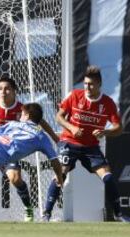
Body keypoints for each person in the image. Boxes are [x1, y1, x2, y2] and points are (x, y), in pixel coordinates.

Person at [42, 65, 130, 222]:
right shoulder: (75, 95)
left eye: (91, 84)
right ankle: (46, 214)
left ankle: (118, 214)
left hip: (91, 147)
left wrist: (106, 132)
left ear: (99, 84)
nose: (87, 87)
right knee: (61, 173)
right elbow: (59, 117)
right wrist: (72, 127)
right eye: (85, 84)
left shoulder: (108, 103)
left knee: (108, 177)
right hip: (69, 141)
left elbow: (118, 128)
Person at [0, 77, 59, 221]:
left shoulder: (23, 110)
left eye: (7, 88)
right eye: (0, 89)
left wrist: (55, 137)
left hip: (8, 153)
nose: (3, 92)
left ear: (14, 91)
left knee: (15, 179)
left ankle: (28, 208)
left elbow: (40, 121)